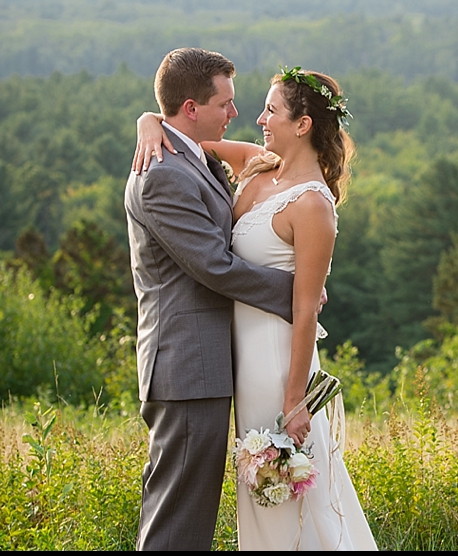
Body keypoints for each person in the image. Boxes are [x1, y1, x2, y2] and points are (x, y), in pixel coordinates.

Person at [133, 66, 377, 550]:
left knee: (286, 493)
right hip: (237, 366)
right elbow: (185, 136)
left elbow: (306, 311)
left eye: (271, 110)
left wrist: (294, 399)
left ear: (303, 125)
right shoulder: (258, 163)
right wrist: (147, 120)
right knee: (259, 499)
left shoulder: (313, 205)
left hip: (275, 364)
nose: (258, 118)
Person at [124, 48, 295, 550]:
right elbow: (211, 265)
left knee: (187, 508)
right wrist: (295, 293)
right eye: (226, 103)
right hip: (184, 366)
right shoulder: (163, 175)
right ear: (193, 108)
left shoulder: (190, 153)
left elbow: (281, 155)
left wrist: (150, 117)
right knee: (178, 514)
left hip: (201, 366)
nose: (235, 113)